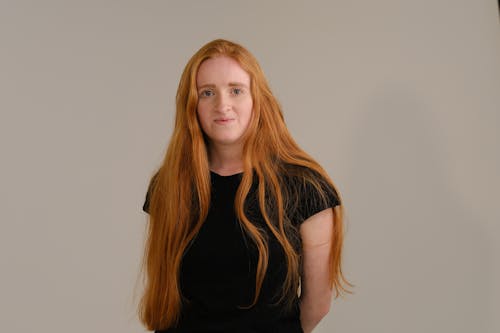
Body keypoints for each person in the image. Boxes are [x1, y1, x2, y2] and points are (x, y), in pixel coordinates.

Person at [139, 39, 351, 333]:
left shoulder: (306, 188)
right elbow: (165, 297)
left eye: (236, 90)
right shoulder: (169, 184)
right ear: (192, 105)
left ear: (257, 99)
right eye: (207, 93)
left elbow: (317, 305)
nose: (222, 105)